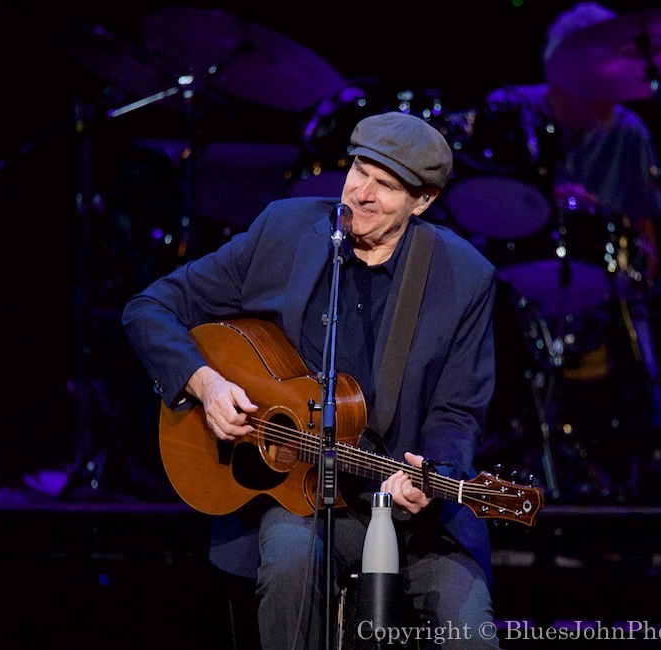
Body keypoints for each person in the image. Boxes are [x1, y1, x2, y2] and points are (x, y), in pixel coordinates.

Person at [122, 111, 500, 649]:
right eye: (359, 170)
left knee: (471, 634)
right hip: (299, 497)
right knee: (289, 565)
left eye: (387, 185)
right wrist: (205, 384)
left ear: (424, 202)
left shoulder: (464, 276)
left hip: (414, 516)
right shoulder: (286, 230)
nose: (362, 194)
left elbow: (457, 411)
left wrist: (430, 475)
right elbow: (150, 307)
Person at [482, 1, 661, 497]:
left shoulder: (630, 133)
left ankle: (635, 469)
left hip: (600, 286)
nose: (612, 94)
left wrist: (643, 269)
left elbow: (646, 239)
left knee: (638, 344)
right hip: (512, 274)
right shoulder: (509, 110)